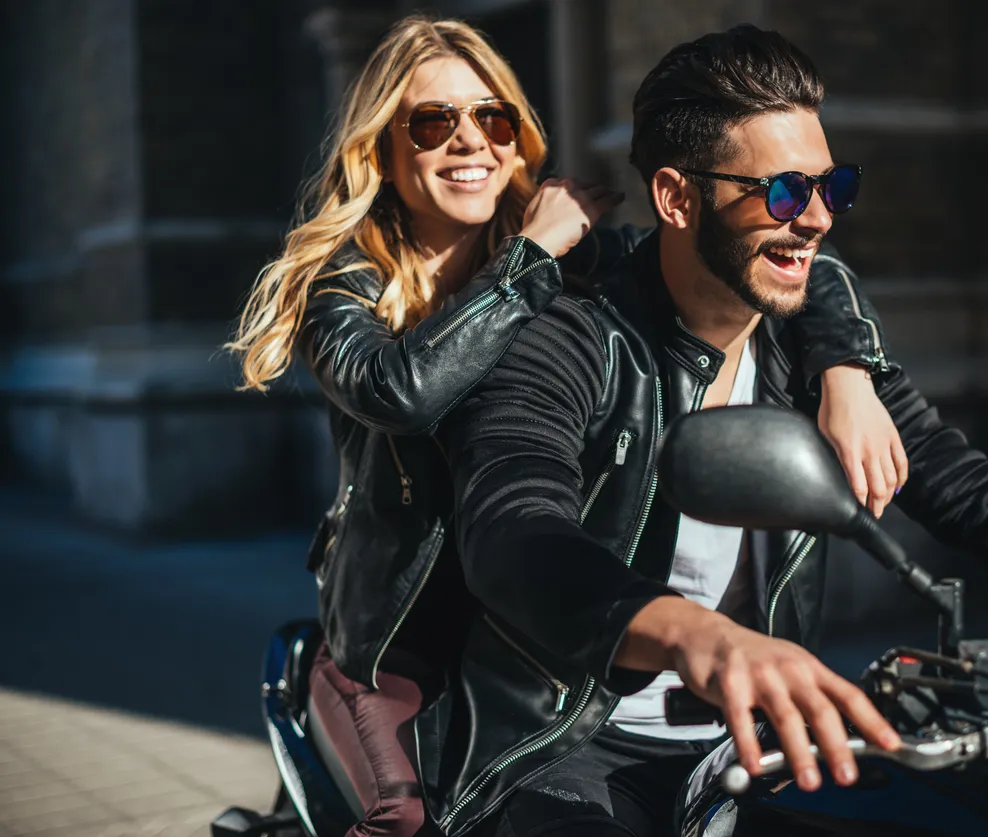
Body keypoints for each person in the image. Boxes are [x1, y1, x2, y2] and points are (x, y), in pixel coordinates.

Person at [431, 24, 988, 837]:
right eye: (785, 193)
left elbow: (965, 486)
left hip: (756, 741)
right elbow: (514, 531)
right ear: (678, 197)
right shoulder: (570, 335)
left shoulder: (809, 342)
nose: (819, 217)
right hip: (567, 747)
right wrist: (702, 637)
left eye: (835, 186)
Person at [226, 15, 912, 836]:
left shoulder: (567, 257)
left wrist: (846, 370)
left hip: (517, 626)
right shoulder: (347, 281)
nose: (470, 141)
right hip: (400, 639)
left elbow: (770, 248)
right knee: (406, 818)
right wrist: (533, 257)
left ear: (518, 142)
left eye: (494, 118)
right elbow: (400, 389)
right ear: (383, 146)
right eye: (435, 122)